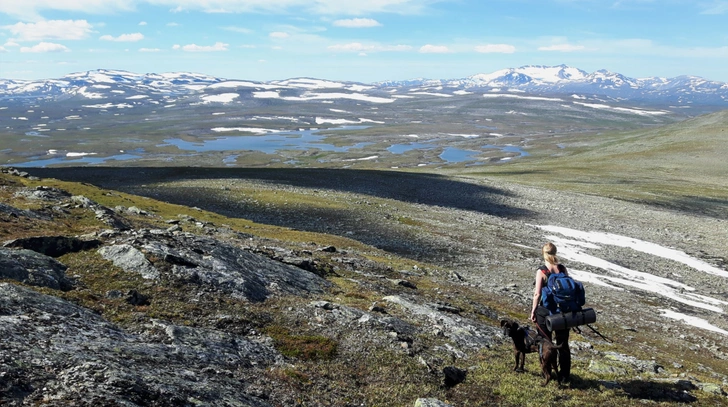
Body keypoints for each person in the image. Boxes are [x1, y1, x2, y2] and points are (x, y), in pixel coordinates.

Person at [530, 242, 571, 383]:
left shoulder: (542, 271)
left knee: (545, 343)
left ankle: (547, 372)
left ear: (544, 253)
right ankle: (564, 375)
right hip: (563, 313)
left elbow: (537, 294)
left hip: (546, 312)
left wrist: (533, 311)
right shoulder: (562, 269)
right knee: (563, 344)